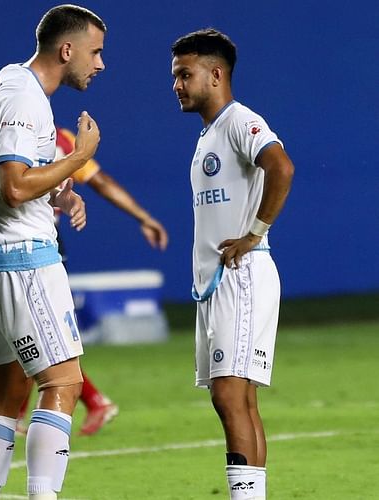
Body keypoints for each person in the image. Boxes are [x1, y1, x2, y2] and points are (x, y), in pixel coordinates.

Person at [0, 5, 105, 499]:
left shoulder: (8, 79)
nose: (100, 64)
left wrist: (60, 191)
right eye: (95, 52)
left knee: (6, 394)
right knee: (64, 383)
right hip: (23, 258)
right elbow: (14, 186)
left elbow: (15, 177)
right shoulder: (27, 99)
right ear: (66, 50)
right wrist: (78, 157)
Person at [171, 29, 294, 499]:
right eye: (175, 76)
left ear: (216, 74)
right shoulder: (209, 135)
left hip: (241, 278)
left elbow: (281, 167)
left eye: (186, 74)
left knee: (228, 395)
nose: (177, 85)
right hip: (219, 283)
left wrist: (253, 234)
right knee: (239, 398)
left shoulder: (240, 120)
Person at [15, 126, 169, 437]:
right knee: (31, 331)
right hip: (36, 244)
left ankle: (26, 414)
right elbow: (101, 182)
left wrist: (143, 217)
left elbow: (99, 181)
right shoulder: (57, 138)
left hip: (36, 244)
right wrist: (143, 217)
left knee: (35, 331)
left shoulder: (25, 137)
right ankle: (36, 411)